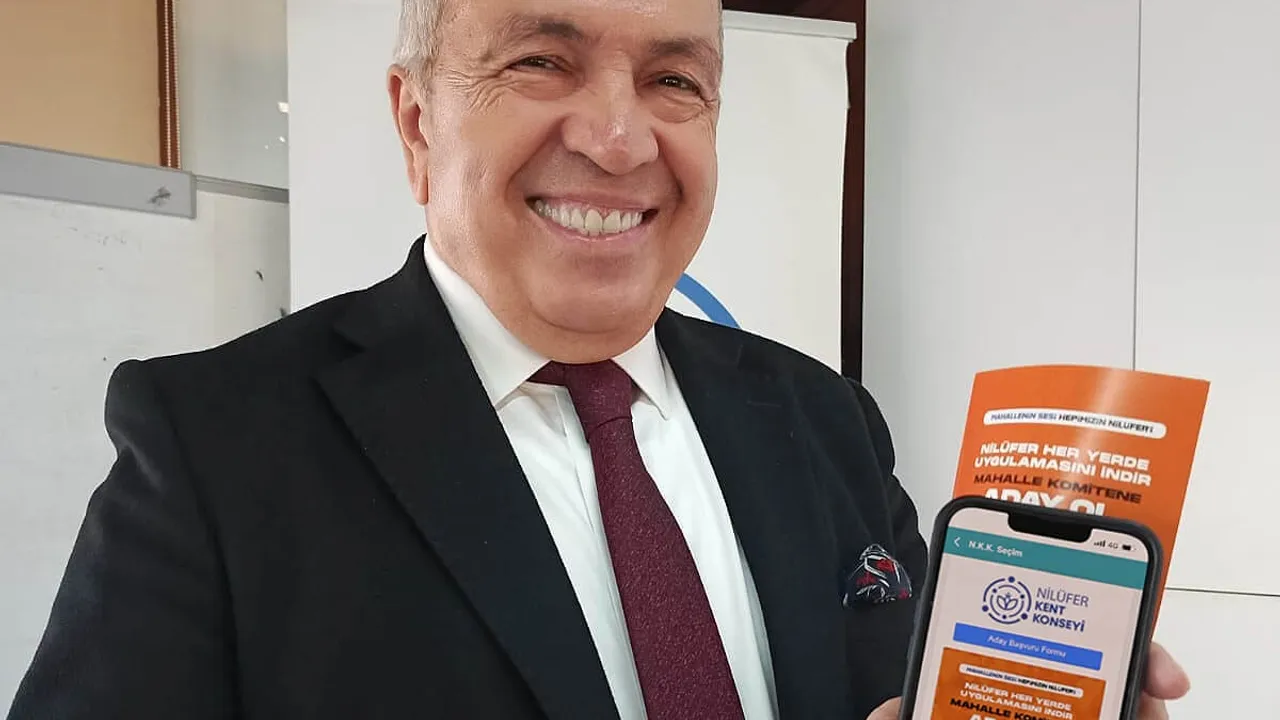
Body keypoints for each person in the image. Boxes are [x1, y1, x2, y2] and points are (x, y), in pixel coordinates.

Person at [7, 0, 1190, 718]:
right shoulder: (217, 443)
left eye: (673, 81)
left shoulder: (822, 416)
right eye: (540, 60)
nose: (619, 139)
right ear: (417, 122)